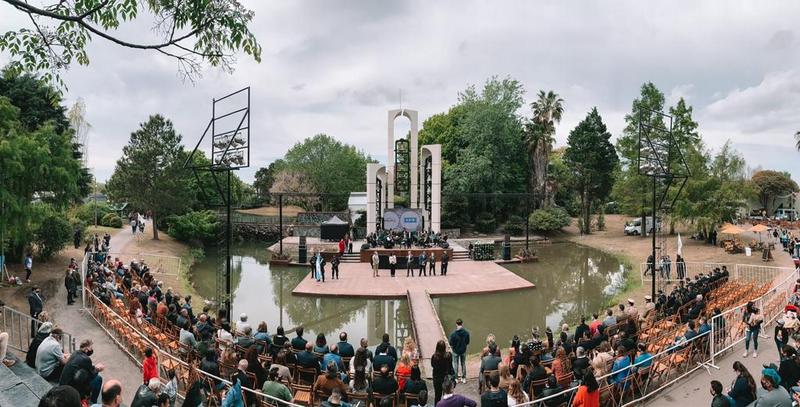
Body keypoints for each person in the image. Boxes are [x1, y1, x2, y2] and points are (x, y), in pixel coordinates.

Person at [449, 318, 470, 384]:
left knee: (455, 364)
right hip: (463, 350)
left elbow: (451, 343)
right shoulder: (466, 333)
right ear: (462, 324)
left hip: (455, 351)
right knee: (463, 363)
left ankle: (456, 378)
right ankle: (463, 378)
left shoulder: (453, 334)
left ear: (456, 324)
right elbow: (467, 342)